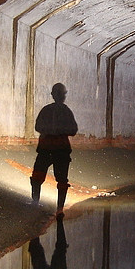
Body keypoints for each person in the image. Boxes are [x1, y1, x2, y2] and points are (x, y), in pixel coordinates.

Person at [31, 82, 78, 212]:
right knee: (62, 181)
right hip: (61, 151)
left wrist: (50, 131)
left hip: (45, 149)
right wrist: (60, 131)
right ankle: (59, 209)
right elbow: (73, 130)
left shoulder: (46, 110)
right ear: (64, 96)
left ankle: (35, 204)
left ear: (52, 95)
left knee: (37, 177)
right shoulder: (66, 111)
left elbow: (38, 127)